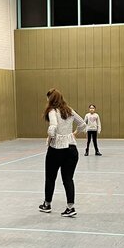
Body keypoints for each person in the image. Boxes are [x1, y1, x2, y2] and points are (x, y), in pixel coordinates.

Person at [39, 88, 86, 217]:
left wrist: (50, 137)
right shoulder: (69, 110)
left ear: (51, 99)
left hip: (56, 149)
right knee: (68, 179)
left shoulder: (52, 111)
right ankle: (70, 207)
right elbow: (82, 124)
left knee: (50, 178)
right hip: (71, 149)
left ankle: (47, 204)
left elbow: (53, 126)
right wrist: (73, 134)